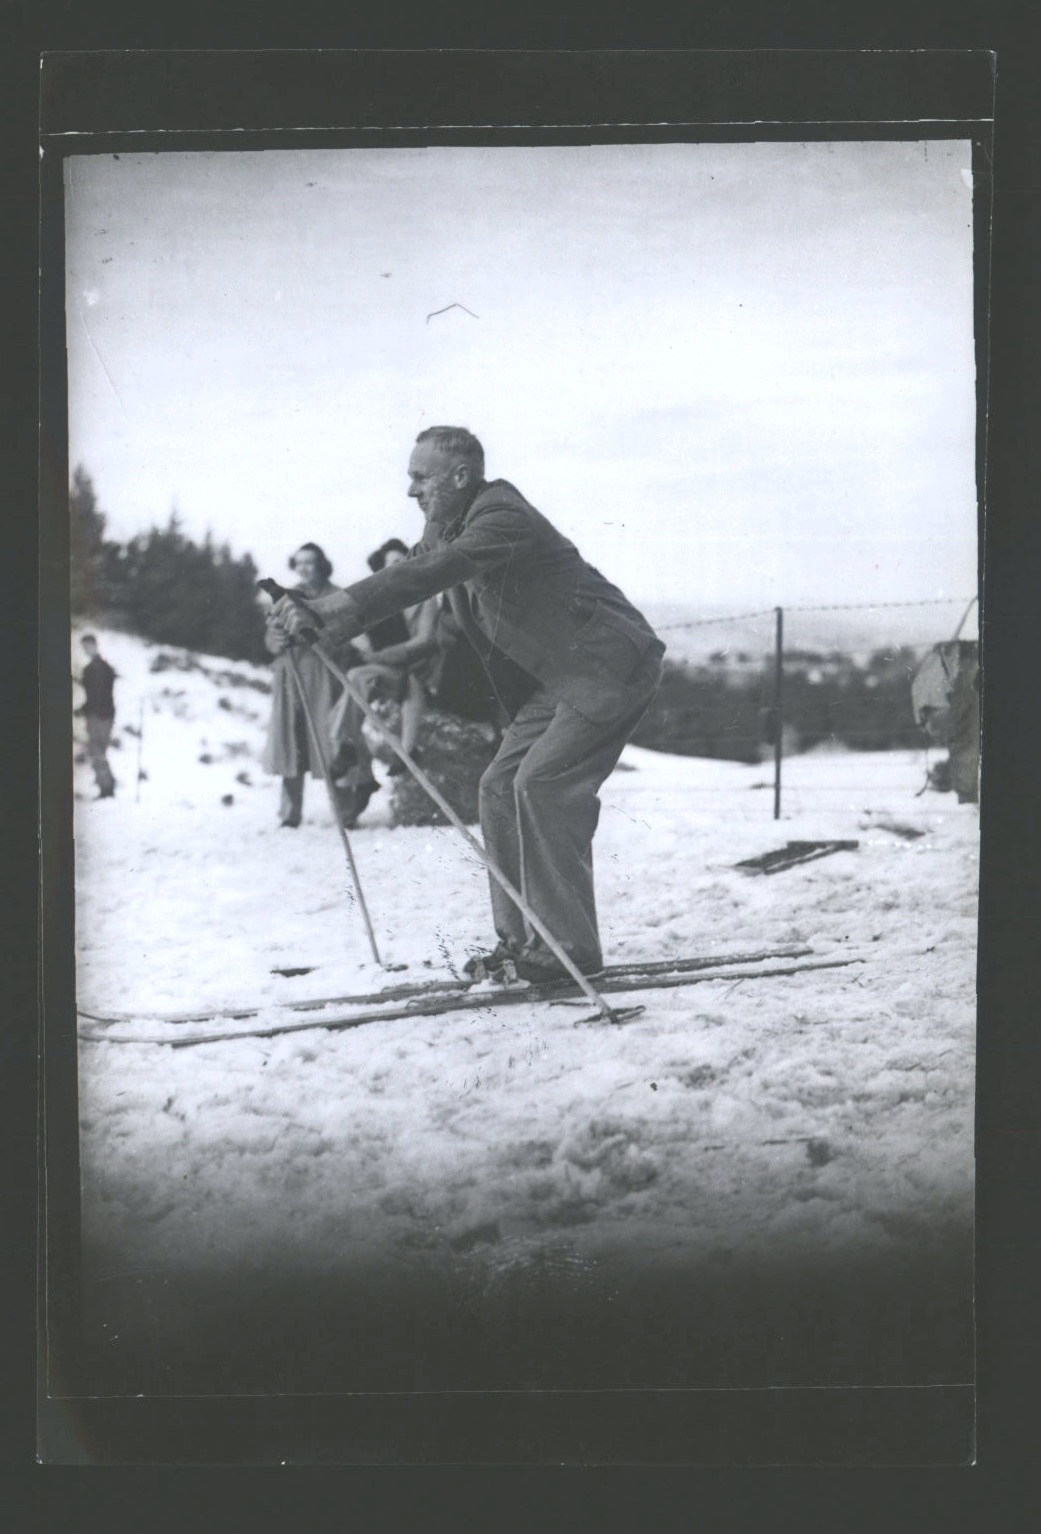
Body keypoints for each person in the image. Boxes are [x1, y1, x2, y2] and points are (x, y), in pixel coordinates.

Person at [271, 427, 666, 981]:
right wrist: (317, 616)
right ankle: (524, 943)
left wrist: (332, 610)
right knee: (497, 788)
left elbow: (434, 571)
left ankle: (569, 950)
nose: (411, 492)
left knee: (543, 786)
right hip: (558, 677)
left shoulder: (502, 515)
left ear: (460, 477)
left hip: (608, 666)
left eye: (420, 477)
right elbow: (406, 573)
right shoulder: (447, 523)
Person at [262, 542, 379, 827]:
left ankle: (345, 812)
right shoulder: (287, 598)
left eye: (309, 562)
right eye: (299, 562)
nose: (303, 568)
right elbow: (269, 640)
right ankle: (290, 814)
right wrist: (276, 638)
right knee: (292, 740)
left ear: (321, 565)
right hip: (290, 676)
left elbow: (355, 635)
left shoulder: (337, 595)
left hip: (325, 676)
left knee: (331, 744)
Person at [76, 633, 117, 798]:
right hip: (96, 714)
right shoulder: (92, 668)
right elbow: (92, 695)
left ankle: (107, 787)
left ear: (95, 645)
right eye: (84, 647)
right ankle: (105, 785)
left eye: (88, 646)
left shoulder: (101, 668)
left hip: (101, 716)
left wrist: (86, 709)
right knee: (97, 751)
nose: (86, 649)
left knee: (97, 750)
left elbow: (100, 694)